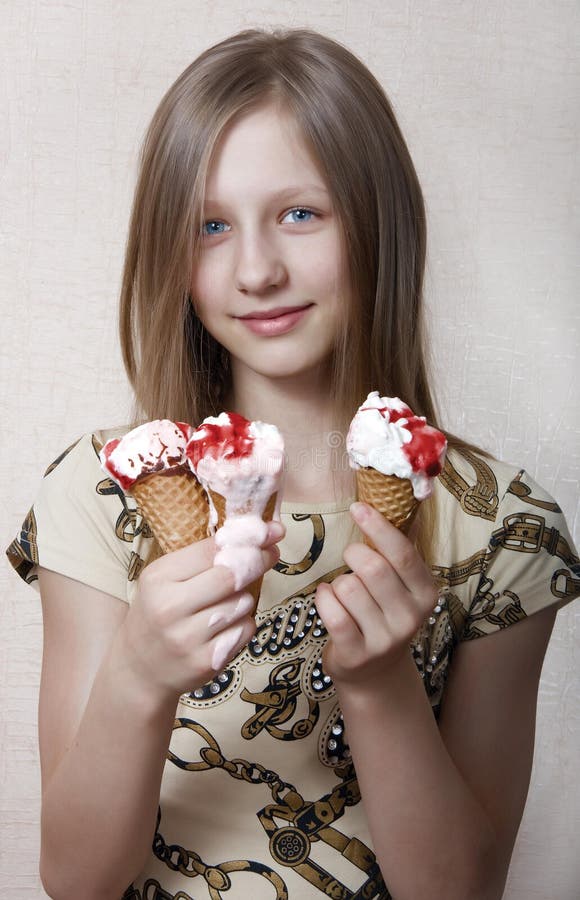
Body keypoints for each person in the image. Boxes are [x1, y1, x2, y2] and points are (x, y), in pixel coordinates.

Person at [6, 26, 579, 900]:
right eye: (210, 226)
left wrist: (382, 686)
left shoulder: (502, 522)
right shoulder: (100, 490)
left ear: (381, 220)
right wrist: (136, 675)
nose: (257, 270)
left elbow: (462, 890)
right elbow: (76, 880)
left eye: (300, 213)